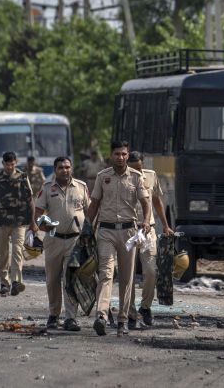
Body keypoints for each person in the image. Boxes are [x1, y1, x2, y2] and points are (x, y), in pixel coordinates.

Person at [87, 140, 151, 337]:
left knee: (126, 278)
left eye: (124, 154)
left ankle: (123, 319)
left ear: (127, 155)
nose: (120, 157)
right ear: (111, 156)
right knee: (106, 273)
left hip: (129, 233)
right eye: (117, 154)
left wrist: (146, 221)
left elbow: (145, 203)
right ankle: (101, 316)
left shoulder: (136, 177)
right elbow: (95, 204)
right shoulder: (102, 177)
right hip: (105, 231)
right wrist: (86, 228)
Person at [32, 156, 90, 332]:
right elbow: (38, 214)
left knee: (71, 280)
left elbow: (91, 211)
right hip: (54, 239)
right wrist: (47, 227)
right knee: (52, 280)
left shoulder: (81, 187)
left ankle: (71, 318)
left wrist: (90, 233)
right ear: (55, 170)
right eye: (61, 168)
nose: (65, 170)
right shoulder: (47, 188)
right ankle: (54, 315)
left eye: (67, 167)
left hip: (75, 240)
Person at [126, 151, 174, 329]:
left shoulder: (151, 176)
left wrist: (166, 225)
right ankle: (130, 313)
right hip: (128, 230)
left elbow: (157, 202)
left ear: (142, 163)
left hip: (148, 231)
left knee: (151, 271)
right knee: (128, 276)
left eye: (139, 167)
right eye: (133, 168)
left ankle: (145, 307)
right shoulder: (122, 178)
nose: (136, 171)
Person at [0, 152, 38, 297]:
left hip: (19, 221)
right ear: (3, 164)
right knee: (3, 253)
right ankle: (4, 283)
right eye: (7, 164)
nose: (10, 167)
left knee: (17, 251)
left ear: (16, 162)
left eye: (12, 164)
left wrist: (33, 221)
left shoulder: (22, 177)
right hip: (1, 221)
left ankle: (16, 282)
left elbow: (30, 199)